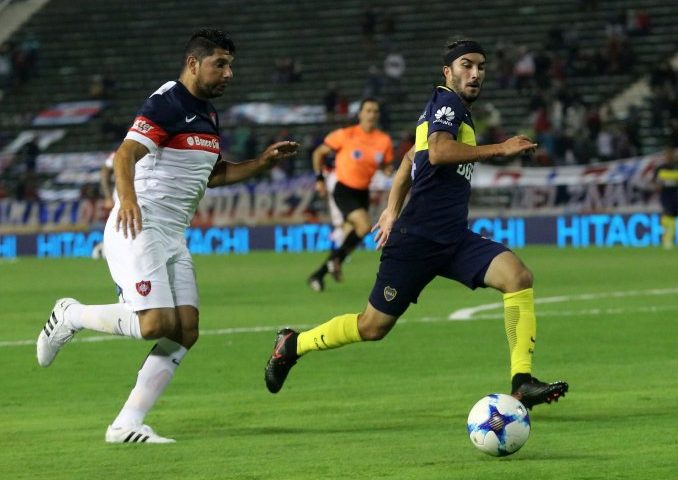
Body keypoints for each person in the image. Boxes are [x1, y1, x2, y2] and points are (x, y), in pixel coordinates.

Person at [266, 38, 569, 410]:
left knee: (517, 277)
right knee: (372, 327)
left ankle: (522, 382)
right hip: (418, 240)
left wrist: (391, 209)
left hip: (453, 238)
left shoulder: (447, 110)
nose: (475, 74)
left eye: (481, 67)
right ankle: (293, 344)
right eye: (466, 65)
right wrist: (499, 149)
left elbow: (412, 156)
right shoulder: (446, 102)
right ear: (448, 72)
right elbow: (439, 152)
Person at [36, 28, 298, 443]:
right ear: (194, 64)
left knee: (185, 330)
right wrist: (128, 201)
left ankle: (126, 424)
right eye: (220, 64)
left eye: (231, 65)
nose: (229, 73)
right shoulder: (168, 101)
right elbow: (126, 154)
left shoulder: (207, 114)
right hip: (140, 223)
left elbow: (214, 175)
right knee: (155, 323)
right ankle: (70, 314)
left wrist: (262, 161)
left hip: (173, 232)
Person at [308, 98, 394, 291]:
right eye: (368, 110)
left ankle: (320, 274)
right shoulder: (346, 135)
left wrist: (387, 170)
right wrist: (319, 179)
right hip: (344, 189)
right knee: (363, 227)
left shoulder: (384, 141)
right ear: (360, 114)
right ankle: (335, 261)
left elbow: (385, 165)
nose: (372, 114)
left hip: (363, 192)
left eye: (375, 111)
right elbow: (318, 153)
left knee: (350, 236)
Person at [653, 140, 678, 249]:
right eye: (666, 154)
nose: (668, 156)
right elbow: (656, 184)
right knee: (668, 217)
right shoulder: (660, 168)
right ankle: (668, 240)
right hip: (667, 197)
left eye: (670, 153)